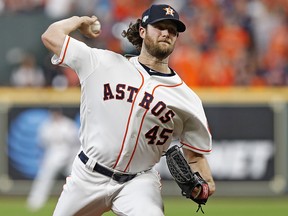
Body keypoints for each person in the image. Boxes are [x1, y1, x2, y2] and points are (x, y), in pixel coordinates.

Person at [41, 4, 215, 216]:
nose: (166, 33)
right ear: (142, 31)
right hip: (88, 175)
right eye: (159, 26)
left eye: (172, 30)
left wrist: (205, 185)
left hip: (138, 183)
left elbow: (196, 157)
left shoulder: (187, 99)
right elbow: (51, 36)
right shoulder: (101, 62)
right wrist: (78, 21)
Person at [27, 107, 80, 211]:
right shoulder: (46, 125)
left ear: (60, 113)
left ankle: (80, 200)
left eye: (56, 112)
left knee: (77, 178)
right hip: (53, 154)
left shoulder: (68, 124)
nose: (55, 115)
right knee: (44, 177)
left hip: (69, 154)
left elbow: (76, 142)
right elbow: (42, 143)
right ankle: (35, 202)